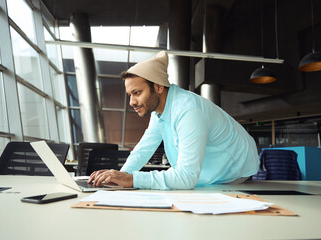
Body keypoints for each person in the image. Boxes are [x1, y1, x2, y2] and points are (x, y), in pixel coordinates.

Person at [88, 51, 259, 190]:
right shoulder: (160, 110)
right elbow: (145, 147)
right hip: (208, 170)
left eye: (137, 93)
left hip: (235, 170)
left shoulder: (188, 111)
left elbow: (186, 177)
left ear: (159, 87)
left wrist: (132, 179)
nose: (131, 102)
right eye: (130, 95)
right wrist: (119, 176)